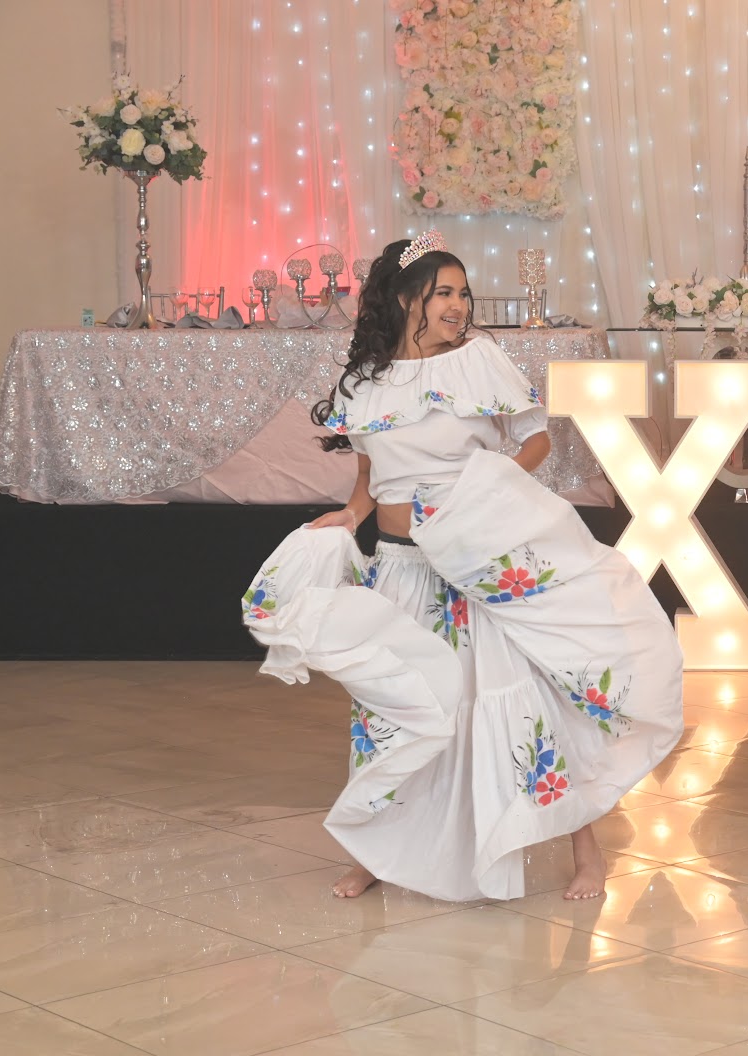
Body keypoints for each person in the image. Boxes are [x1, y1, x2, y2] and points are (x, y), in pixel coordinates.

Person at [241, 231, 683, 903]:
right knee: (396, 708)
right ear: (405, 298)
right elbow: (370, 475)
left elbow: (535, 440)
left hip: (472, 566)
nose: (458, 305)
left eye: (463, 293)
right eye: (443, 292)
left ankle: (585, 849)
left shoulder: (478, 361)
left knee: (519, 702)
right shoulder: (365, 381)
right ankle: (376, 849)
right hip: (401, 569)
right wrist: (350, 517)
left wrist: (485, 495)